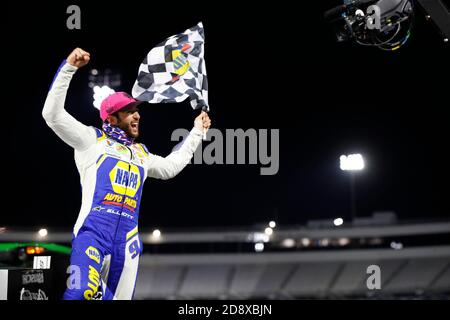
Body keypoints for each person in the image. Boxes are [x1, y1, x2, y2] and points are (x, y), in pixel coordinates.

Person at [42, 48, 211, 300]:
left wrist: (197, 132)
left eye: (137, 110)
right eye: (130, 111)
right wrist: (68, 68)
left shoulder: (141, 154)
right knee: (79, 294)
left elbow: (169, 168)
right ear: (111, 118)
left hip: (127, 244)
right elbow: (52, 115)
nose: (137, 115)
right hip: (93, 235)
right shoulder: (92, 141)